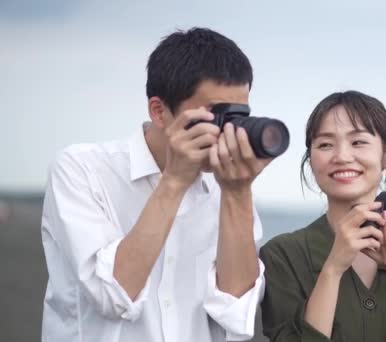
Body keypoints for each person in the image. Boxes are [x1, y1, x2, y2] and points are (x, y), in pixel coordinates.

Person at [41, 27, 274, 342]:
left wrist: (237, 192)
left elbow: (236, 315)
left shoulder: (228, 189)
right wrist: (176, 180)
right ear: (159, 111)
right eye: (217, 115)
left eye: (238, 116)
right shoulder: (82, 170)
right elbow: (113, 295)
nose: (227, 132)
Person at [260, 91, 386, 341]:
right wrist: (333, 268)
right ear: (311, 160)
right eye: (325, 144)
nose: (342, 157)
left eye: (358, 142)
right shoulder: (282, 255)